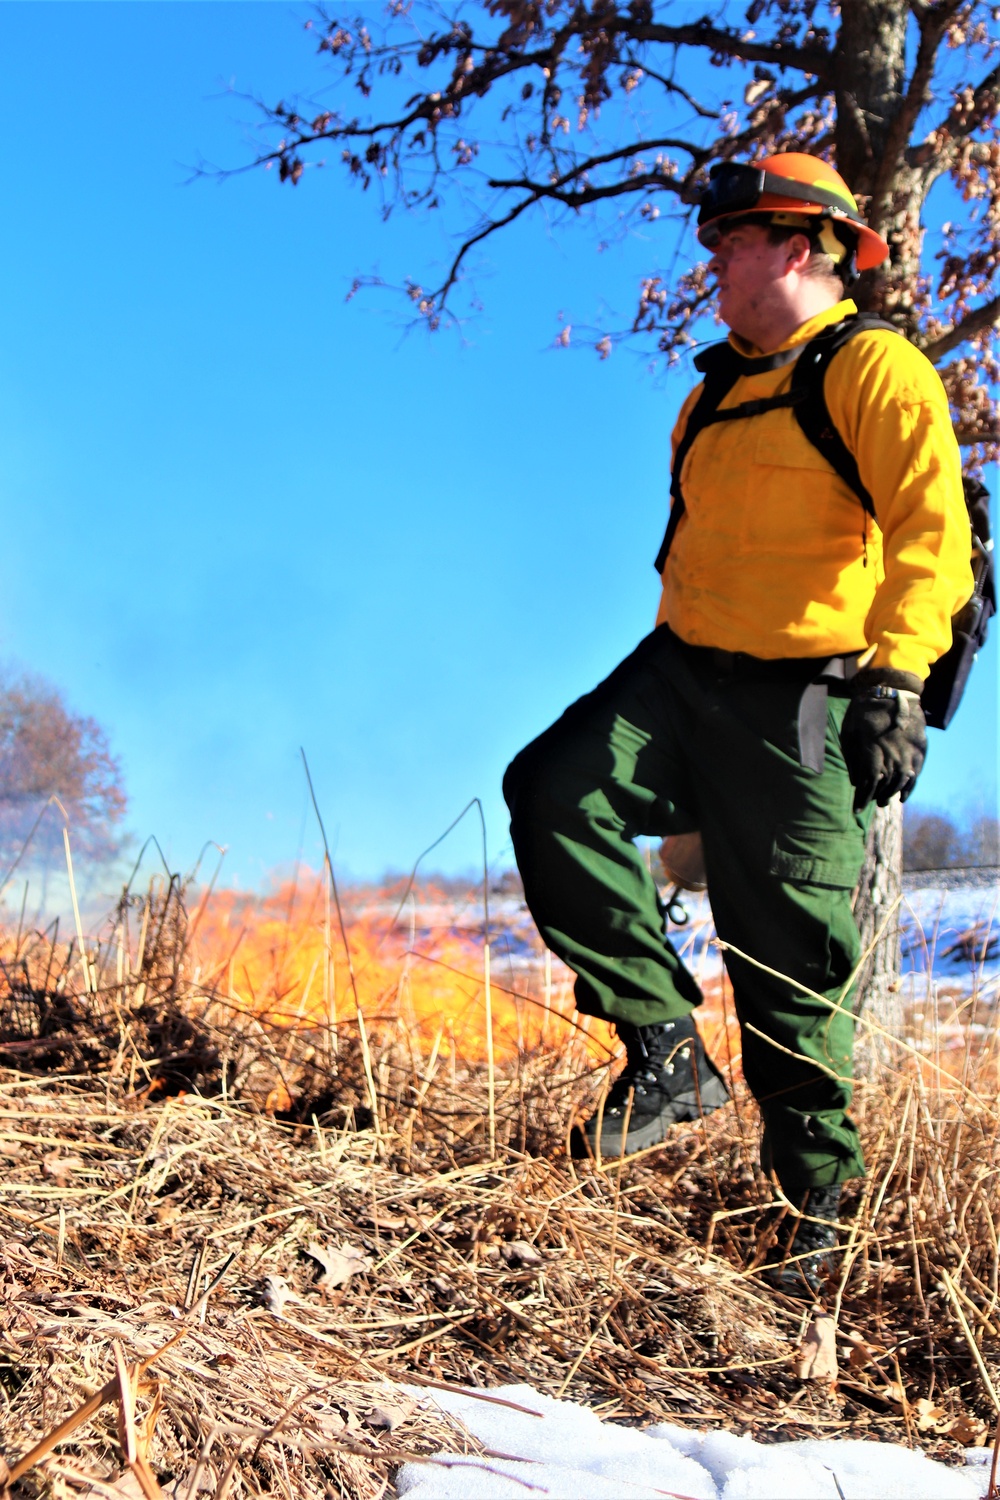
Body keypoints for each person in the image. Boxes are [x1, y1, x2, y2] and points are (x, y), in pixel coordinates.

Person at [502, 153, 973, 1293]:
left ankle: (819, 1216)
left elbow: (929, 533)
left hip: (803, 705)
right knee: (551, 790)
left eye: (733, 239)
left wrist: (896, 681)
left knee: (784, 969)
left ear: (802, 247)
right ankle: (662, 1045)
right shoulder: (708, 393)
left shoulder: (875, 369)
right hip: (677, 675)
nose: (709, 259)